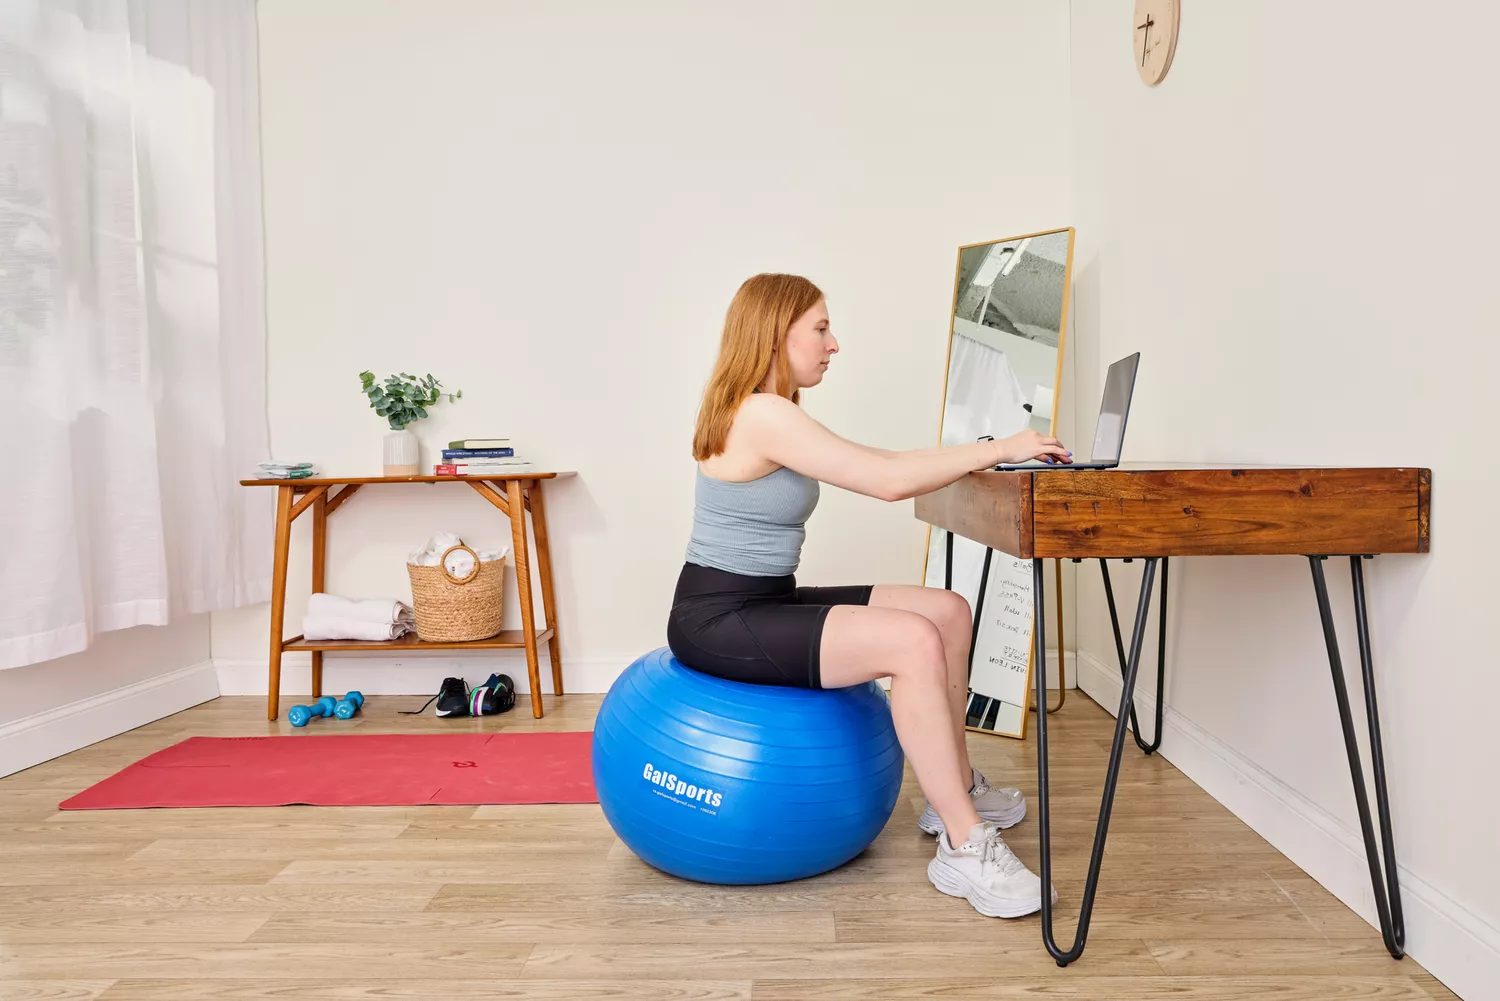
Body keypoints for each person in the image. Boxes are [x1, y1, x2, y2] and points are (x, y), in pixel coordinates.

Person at [667, 273, 1071, 919]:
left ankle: (954, 792)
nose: (834, 344)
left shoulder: (770, 408)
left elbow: (880, 457)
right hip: (719, 615)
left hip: (767, 597)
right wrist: (1004, 445)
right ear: (777, 332)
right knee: (911, 640)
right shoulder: (762, 412)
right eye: (820, 328)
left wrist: (977, 456)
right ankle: (966, 846)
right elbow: (885, 480)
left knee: (944, 609)